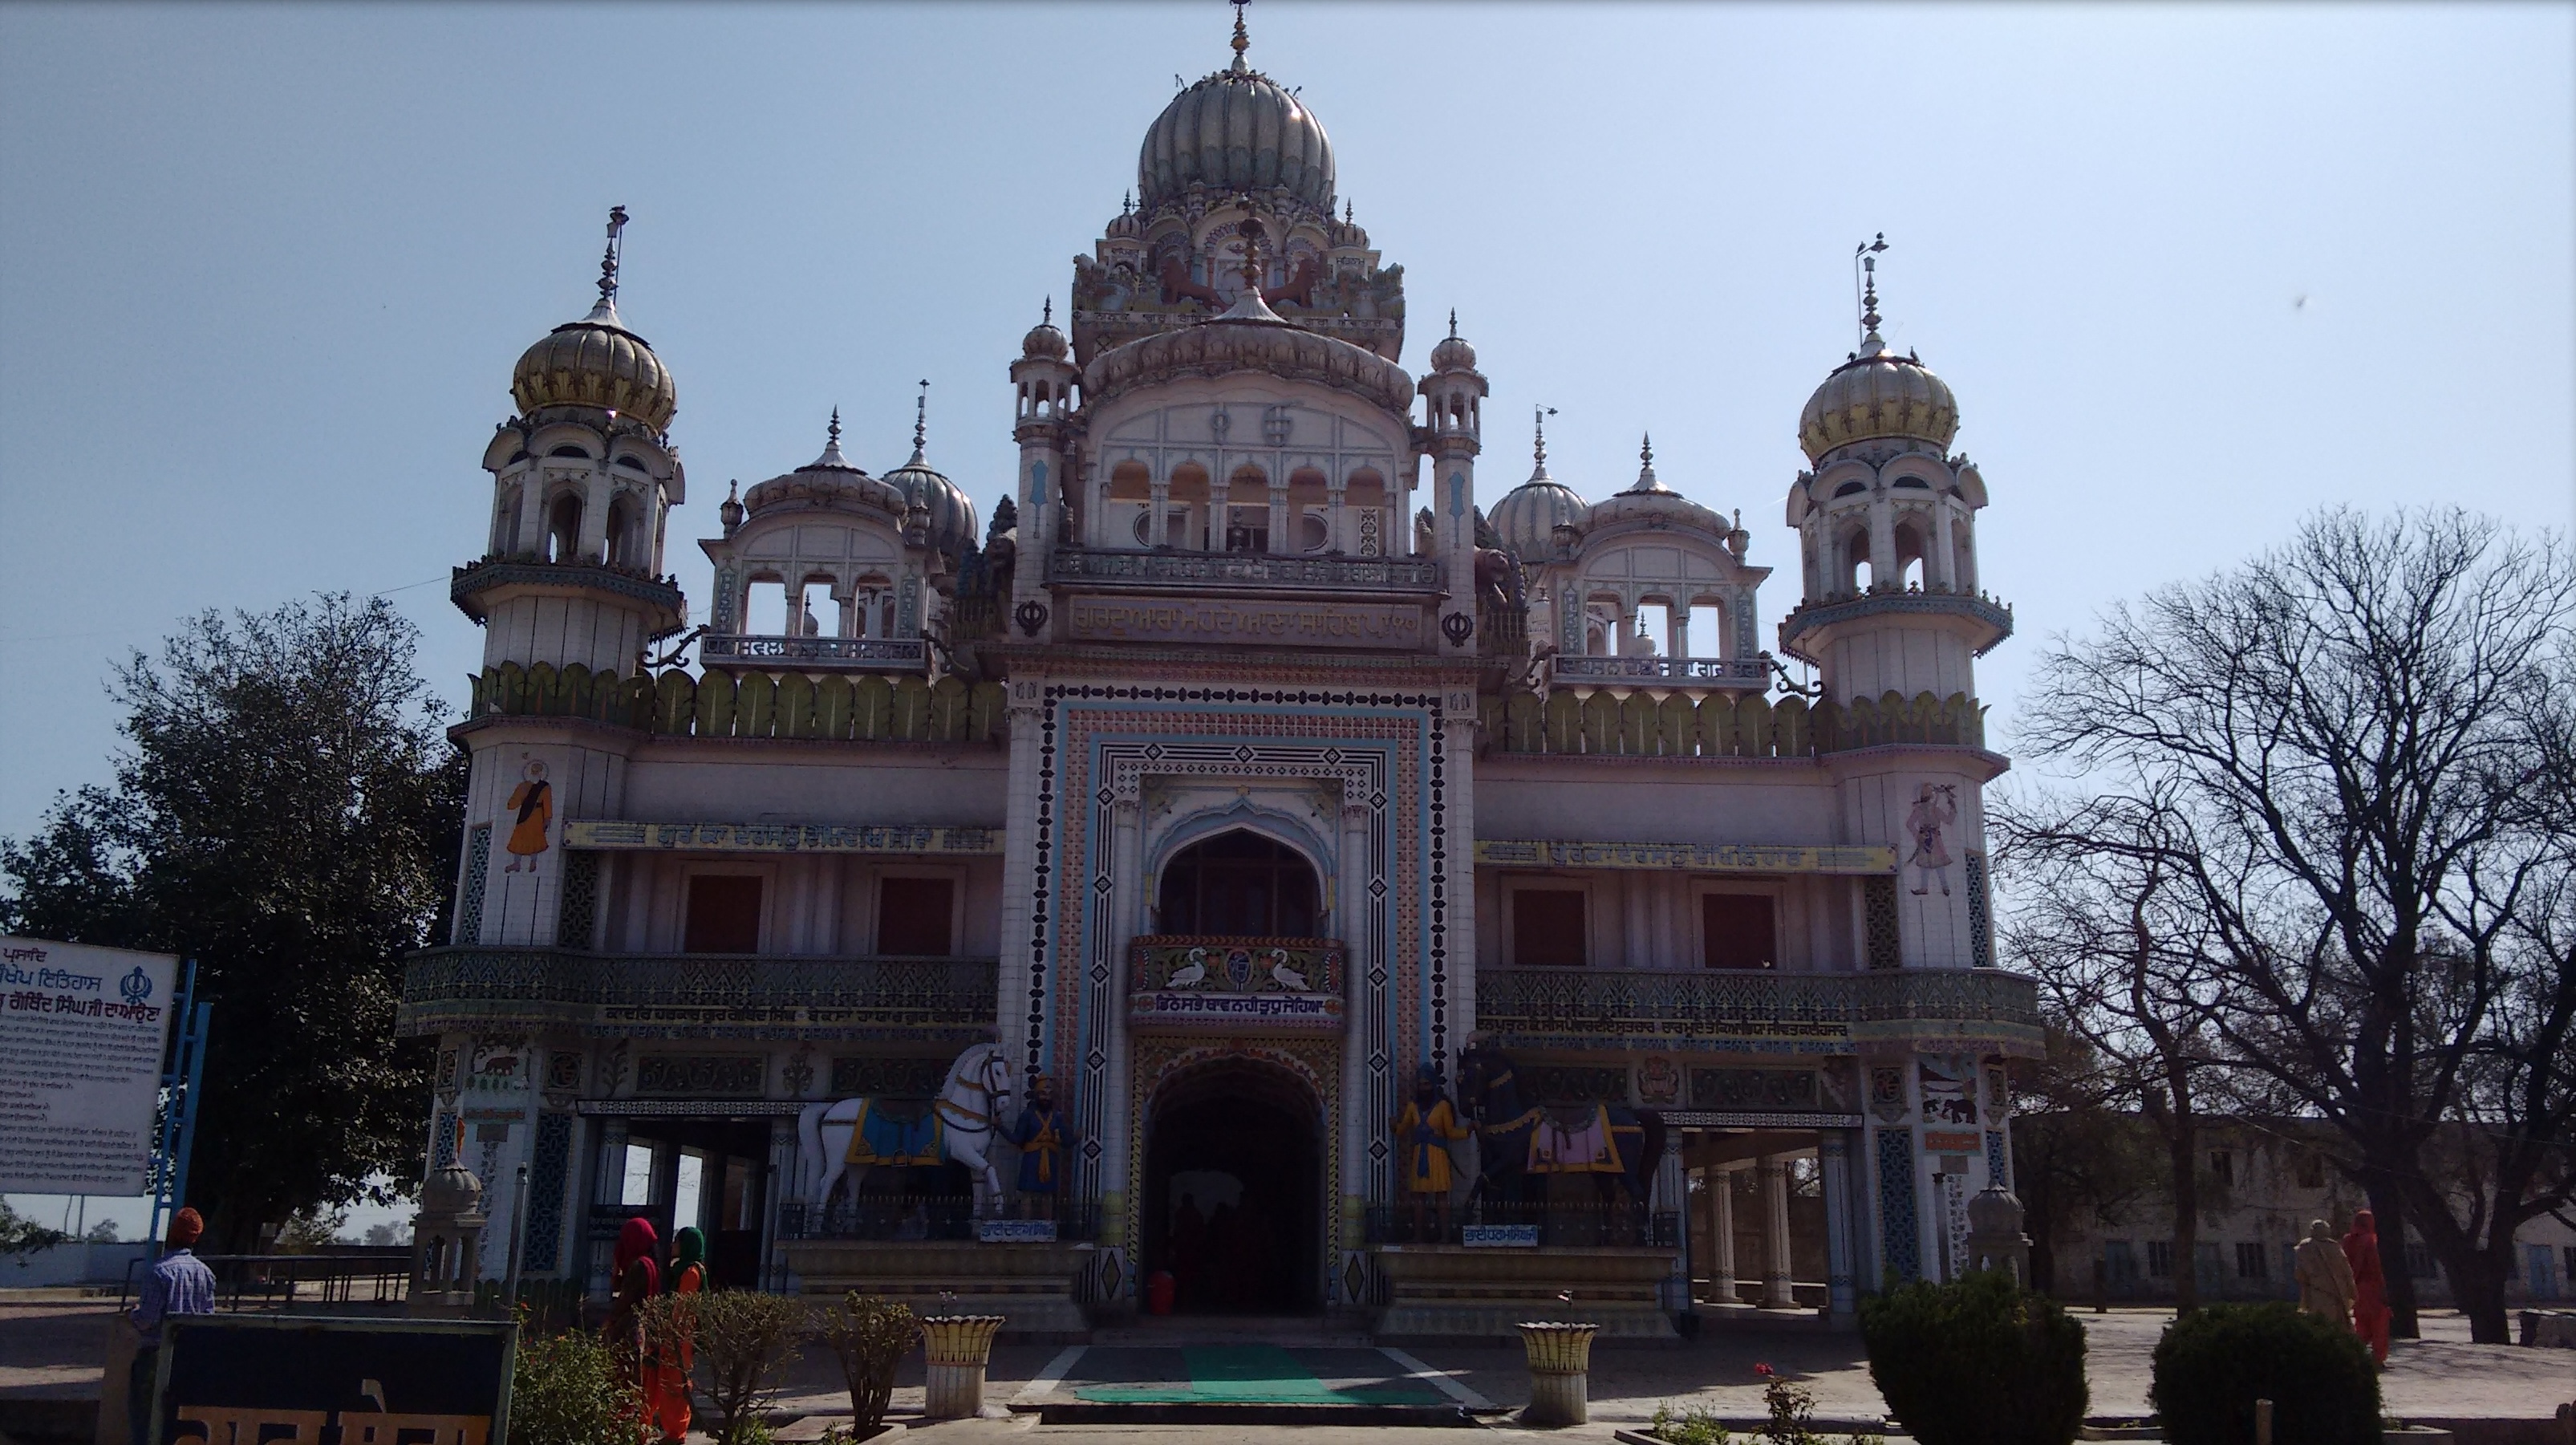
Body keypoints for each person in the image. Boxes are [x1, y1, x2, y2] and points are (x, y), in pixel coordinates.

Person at [128, 1208, 217, 1445]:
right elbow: (208, 1320)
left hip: (156, 1357)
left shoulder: (158, 1272)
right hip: (190, 1357)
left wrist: (133, 1313)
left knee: (145, 1420)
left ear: (171, 1233)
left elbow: (147, 1320)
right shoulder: (206, 1274)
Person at [1392, 1064, 1471, 1242]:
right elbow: (1402, 1130)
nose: (1424, 1088)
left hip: (1438, 1156)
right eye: (1421, 1085)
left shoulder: (1443, 1106)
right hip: (1420, 1154)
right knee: (1419, 1198)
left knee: (1441, 1196)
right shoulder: (1413, 1107)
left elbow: (1451, 1133)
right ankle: (1418, 1235)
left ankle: (1445, 1236)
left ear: (1433, 1084)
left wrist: (1468, 1131)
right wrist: (1394, 1125)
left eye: (1427, 1084)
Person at [651, 1228, 707, 1442]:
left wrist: (669, 1334)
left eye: (677, 1241)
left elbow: (682, 1310)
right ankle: (673, 1431)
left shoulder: (691, 1273)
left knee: (676, 1383)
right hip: (676, 1336)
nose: (673, 1245)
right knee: (669, 1380)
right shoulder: (682, 1270)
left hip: (680, 1338)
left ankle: (677, 1432)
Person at [1008, 1076, 1076, 1220]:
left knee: (1048, 1195)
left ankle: (1047, 1227)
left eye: (1049, 1094)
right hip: (1031, 1159)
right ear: (1036, 1095)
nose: (1046, 1097)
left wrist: (1077, 1137)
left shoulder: (1057, 1117)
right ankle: (1025, 1225)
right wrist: (999, 1126)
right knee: (1027, 1193)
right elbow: (1017, 1138)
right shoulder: (1027, 1115)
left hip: (1050, 1159)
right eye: (1043, 1094)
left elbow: (1066, 1141)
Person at [604, 1217, 660, 1389]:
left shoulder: (639, 1266)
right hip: (641, 1328)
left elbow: (626, 1299)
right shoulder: (650, 1264)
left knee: (624, 1381)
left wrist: (609, 1322)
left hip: (628, 1329)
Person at [2343, 1210, 2392, 1368]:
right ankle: (2378, 1359)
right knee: (2379, 1324)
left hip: (2355, 1289)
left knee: (2362, 1324)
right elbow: (2375, 1267)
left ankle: (2355, 1354)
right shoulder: (2369, 1240)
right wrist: (2383, 1290)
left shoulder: (2347, 1240)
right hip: (2372, 1288)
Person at [2294, 1217, 2355, 1329]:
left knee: (2321, 1325)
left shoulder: (2305, 1247)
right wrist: (2351, 1291)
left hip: (2317, 1291)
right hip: (2339, 1293)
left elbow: (2300, 1274)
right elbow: (2347, 1271)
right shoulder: (2335, 1246)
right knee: (2341, 1326)